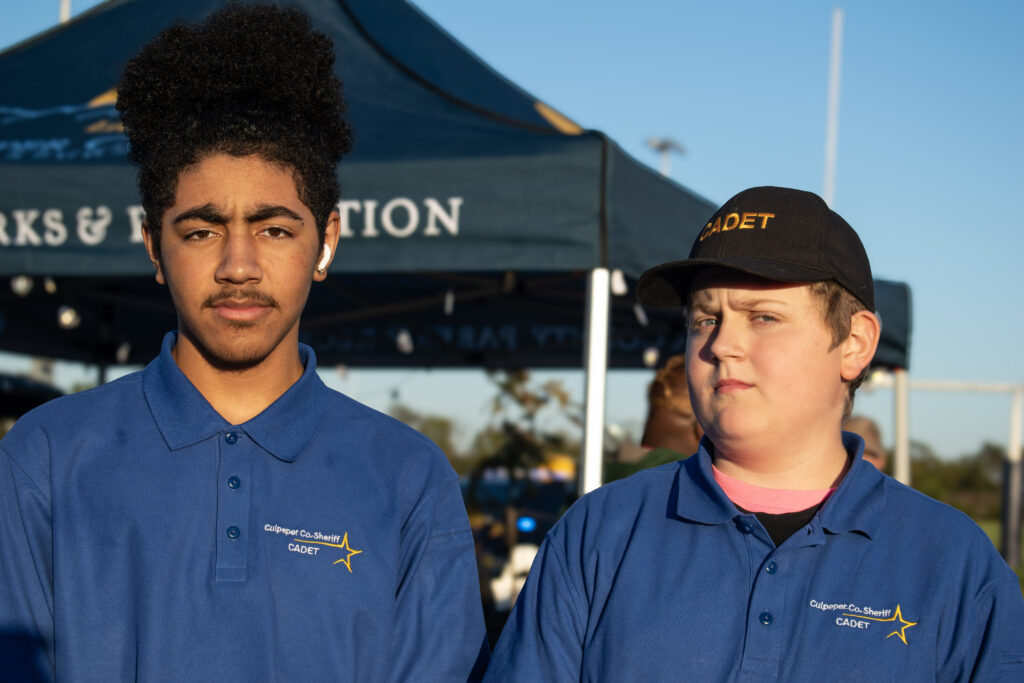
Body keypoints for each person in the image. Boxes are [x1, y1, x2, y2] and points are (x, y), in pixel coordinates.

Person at [0, 6, 487, 681]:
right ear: (154, 245)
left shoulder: (408, 478)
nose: (238, 264)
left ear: (327, 242)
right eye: (201, 230)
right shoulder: (45, 458)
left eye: (274, 229)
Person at [483, 186, 1024, 680]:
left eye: (762, 316)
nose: (720, 345)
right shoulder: (598, 534)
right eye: (704, 319)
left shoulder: (953, 562)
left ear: (855, 343)